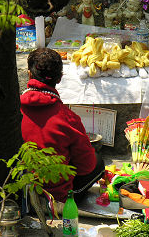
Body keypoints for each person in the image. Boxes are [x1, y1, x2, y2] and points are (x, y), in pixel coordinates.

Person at [20, 48, 105, 203]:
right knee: (98, 162)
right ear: (59, 79)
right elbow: (86, 166)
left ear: (29, 74)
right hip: (55, 197)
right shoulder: (68, 118)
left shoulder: (14, 109)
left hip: (20, 192)